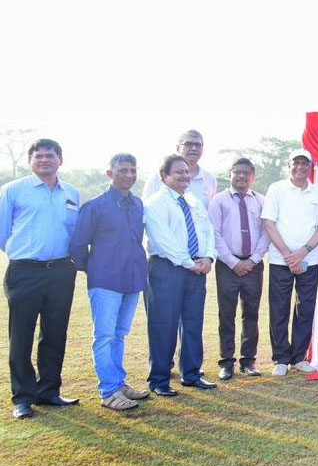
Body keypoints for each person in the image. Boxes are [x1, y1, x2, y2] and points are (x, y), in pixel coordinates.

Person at [0, 139, 80, 419]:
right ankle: (23, 397)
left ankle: (49, 390)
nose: (44, 160)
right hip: (25, 271)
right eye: (39, 156)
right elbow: (2, 232)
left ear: (61, 159)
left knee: (55, 333)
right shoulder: (12, 191)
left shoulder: (71, 193)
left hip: (61, 271)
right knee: (21, 335)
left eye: (50, 155)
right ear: (30, 160)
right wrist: (23, 254)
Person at [69, 153, 151, 411]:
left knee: (120, 334)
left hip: (132, 279)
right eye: (122, 170)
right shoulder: (95, 206)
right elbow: (78, 245)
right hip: (105, 281)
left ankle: (118, 382)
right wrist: (95, 269)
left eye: (132, 170)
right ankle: (108, 391)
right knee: (104, 336)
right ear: (110, 173)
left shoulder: (138, 204)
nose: (128, 175)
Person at [143, 154, 217, 396]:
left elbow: (207, 231)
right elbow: (162, 239)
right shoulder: (156, 203)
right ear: (164, 176)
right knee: (164, 323)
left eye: (186, 172)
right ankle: (159, 380)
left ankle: (192, 374)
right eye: (178, 172)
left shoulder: (193, 200)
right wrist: (188, 262)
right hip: (167, 269)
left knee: (193, 322)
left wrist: (208, 257)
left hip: (196, 269)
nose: (185, 175)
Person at [262, 150, 318, 376]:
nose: (300, 167)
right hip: (280, 260)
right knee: (279, 308)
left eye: (305, 164)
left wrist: (302, 252)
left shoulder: (317, 192)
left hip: (309, 261)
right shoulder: (277, 189)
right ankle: (281, 359)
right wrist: (288, 255)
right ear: (288, 165)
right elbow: (269, 224)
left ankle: (299, 357)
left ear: (310, 167)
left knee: (305, 309)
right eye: (296, 163)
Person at [209, 158, 269, 380]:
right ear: (230, 173)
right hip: (227, 266)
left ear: (253, 176)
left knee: (251, 314)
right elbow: (214, 233)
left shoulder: (261, 201)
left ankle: (248, 360)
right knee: (227, 314)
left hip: (253, 265)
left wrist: (252, 261)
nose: (241, 176)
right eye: (237, 172)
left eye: (246, 173)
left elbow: (266, 233)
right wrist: (234, 263)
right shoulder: (218, 201)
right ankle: (226, 362)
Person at [142, 130, 217, 204]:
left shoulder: (210, 179)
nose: (194, 148)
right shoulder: (159, 177)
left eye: (198, 145)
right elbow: (147, 206)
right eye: (188, 144)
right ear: (178, 148)